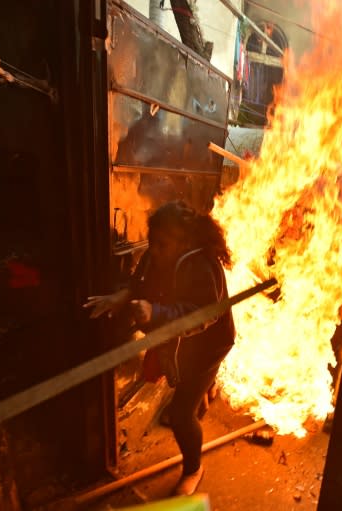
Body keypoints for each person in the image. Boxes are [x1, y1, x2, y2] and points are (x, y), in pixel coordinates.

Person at [83, 201, 235, 496]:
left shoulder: (205, 264)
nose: (153, 250)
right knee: (186, 389)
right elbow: (140, 281)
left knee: (179, 416)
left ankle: (194, 470)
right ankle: (203, 393)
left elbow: (203, 314)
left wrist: (156, 313)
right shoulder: (157, 255)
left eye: (162, 244)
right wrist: (122, 296)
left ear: (185, 242)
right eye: (152, 242)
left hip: (208, 347)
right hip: (179, 344)